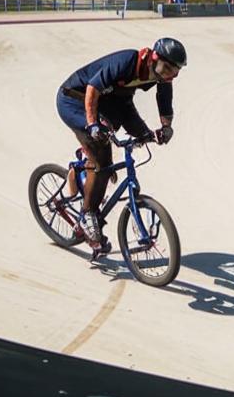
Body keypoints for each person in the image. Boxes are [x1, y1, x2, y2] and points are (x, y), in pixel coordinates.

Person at [56, 37, 186, 255]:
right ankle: (87, 215)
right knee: (103, 157)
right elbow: (92, 89)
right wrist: (92, 125)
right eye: (168, 68)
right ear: (154, 58)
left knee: (132, 135)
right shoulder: (127, 61)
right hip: (74, 99)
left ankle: (86, 160)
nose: (170, 74)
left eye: (176, 71)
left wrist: (164, 129)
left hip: (113, 103)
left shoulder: (163, 76)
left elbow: (164, 104)